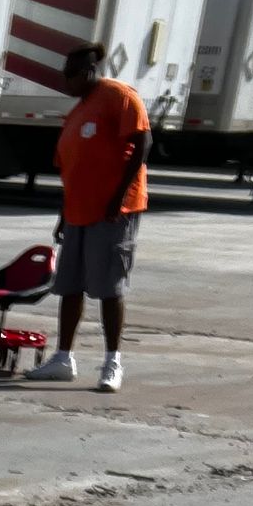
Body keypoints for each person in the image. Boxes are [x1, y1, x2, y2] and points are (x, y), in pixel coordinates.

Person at [24, 41, 150, 392]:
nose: (66, 82)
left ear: (90, 72)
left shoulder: (119, 97)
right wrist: (64, 214)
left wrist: (118, 197)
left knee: (109, 288)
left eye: (71, 75)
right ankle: (63, 359)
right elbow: (74, 169)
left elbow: (143, 143)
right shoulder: (80, 109)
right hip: (78, 211)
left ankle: (112, 363)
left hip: (112, 212)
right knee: (69, 287)